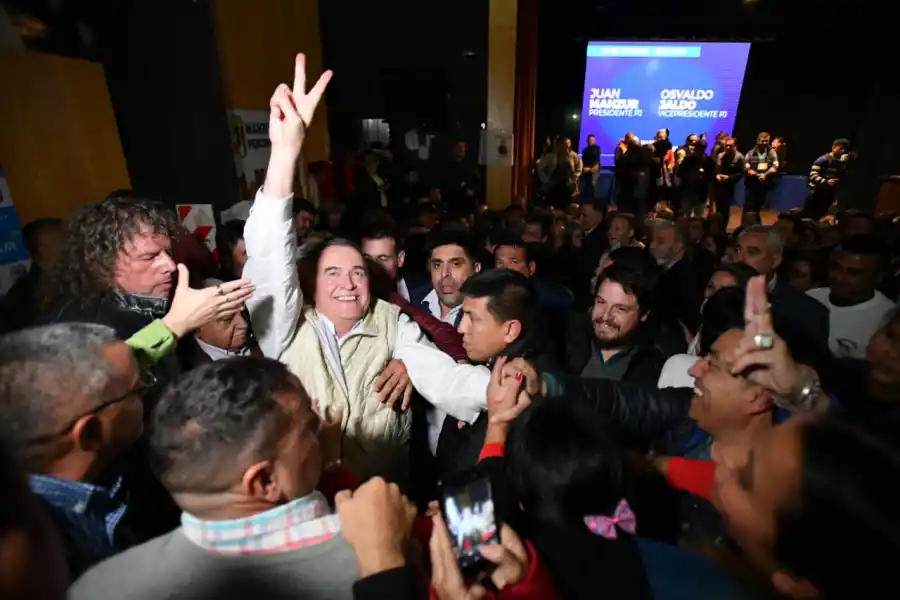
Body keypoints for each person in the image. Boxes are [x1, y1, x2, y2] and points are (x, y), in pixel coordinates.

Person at [242, 55, 492, 482]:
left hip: (380, 497)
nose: (348, 283)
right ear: (308, 286)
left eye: (357, 271)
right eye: (332, 273)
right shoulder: (286, 327)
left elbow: (447, 378)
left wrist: (500, 388)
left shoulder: (393, 322)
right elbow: (267, 261)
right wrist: (284, 155)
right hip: (307, 501)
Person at [0, 217, 64, 333]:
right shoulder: (24, 295)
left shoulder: (76, 277)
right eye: (63, 238)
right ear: (42, 247)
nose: (74, 242)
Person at [802, 138, 853, 222]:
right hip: (816, 192)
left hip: (828, 194)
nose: (842, 151)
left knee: (821, 214)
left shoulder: (840, 163)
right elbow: (813, 175)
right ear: (833, 147)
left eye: (844, 149)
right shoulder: (823, 159)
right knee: (808, 214)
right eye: (840, 148)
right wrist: (825, 182)